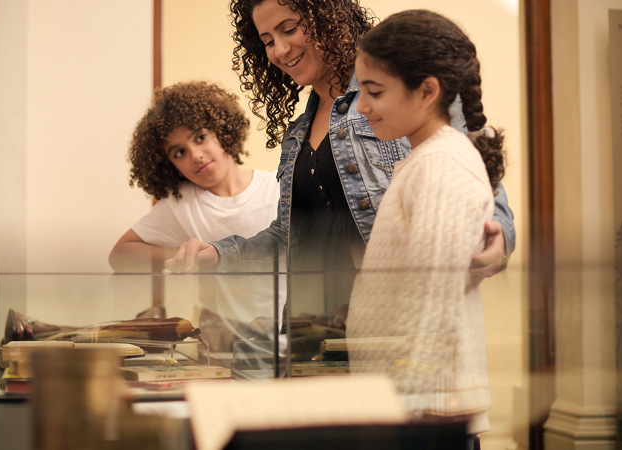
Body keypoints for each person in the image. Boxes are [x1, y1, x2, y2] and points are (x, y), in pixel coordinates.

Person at [165, 0, 514, 318]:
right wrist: (219, 253)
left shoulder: (402, 99)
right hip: (313, 326)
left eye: (289, 29)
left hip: (392, 319)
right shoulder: (297, 135)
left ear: (326, 18)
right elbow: (292, 236)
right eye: (268, 40)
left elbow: (475, 174)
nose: (281, 49)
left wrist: (499, 239)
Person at [345, 9, 502, 438]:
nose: (362, 107)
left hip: (425, 410)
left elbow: (429, 305)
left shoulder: (443, 165)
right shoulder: (424, 159)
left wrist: (400, 408)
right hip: (410, 406)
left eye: (375, 91)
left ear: (427, 91)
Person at [109, 81, 281, 353]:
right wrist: (182, 253)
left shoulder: (277, 185)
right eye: (180, 152)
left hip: (287, 340)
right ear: (170, 165)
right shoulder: (182, 204)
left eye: (200, 137)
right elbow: (119, 255)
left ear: (221, 131)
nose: (196, 156)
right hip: (223, 350)